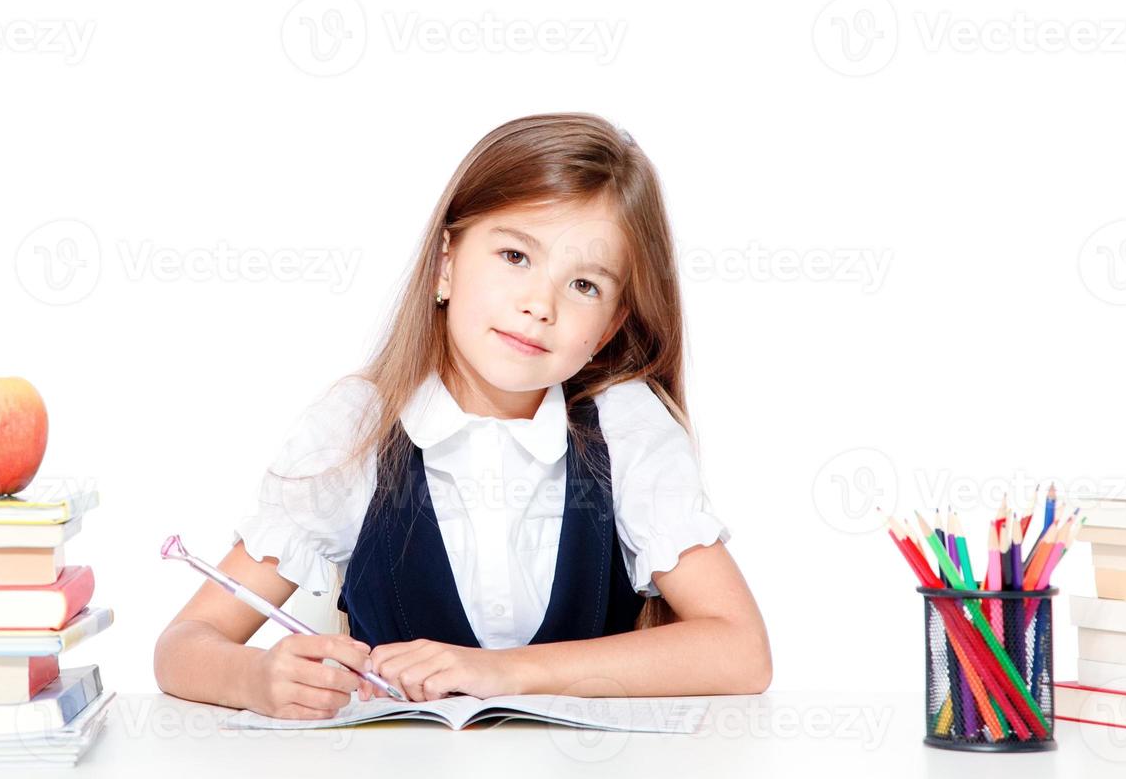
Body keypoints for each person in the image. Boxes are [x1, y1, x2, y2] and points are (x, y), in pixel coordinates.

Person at [154, 112, 770, 720]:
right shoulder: (357, 428)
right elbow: (183, 646)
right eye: (514, 255)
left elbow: (741, 652)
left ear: (609, 327)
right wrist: (257, 677)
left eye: (584, 285)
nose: (538, 305)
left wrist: (502, 673)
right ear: (446, 262)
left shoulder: (625, 428)